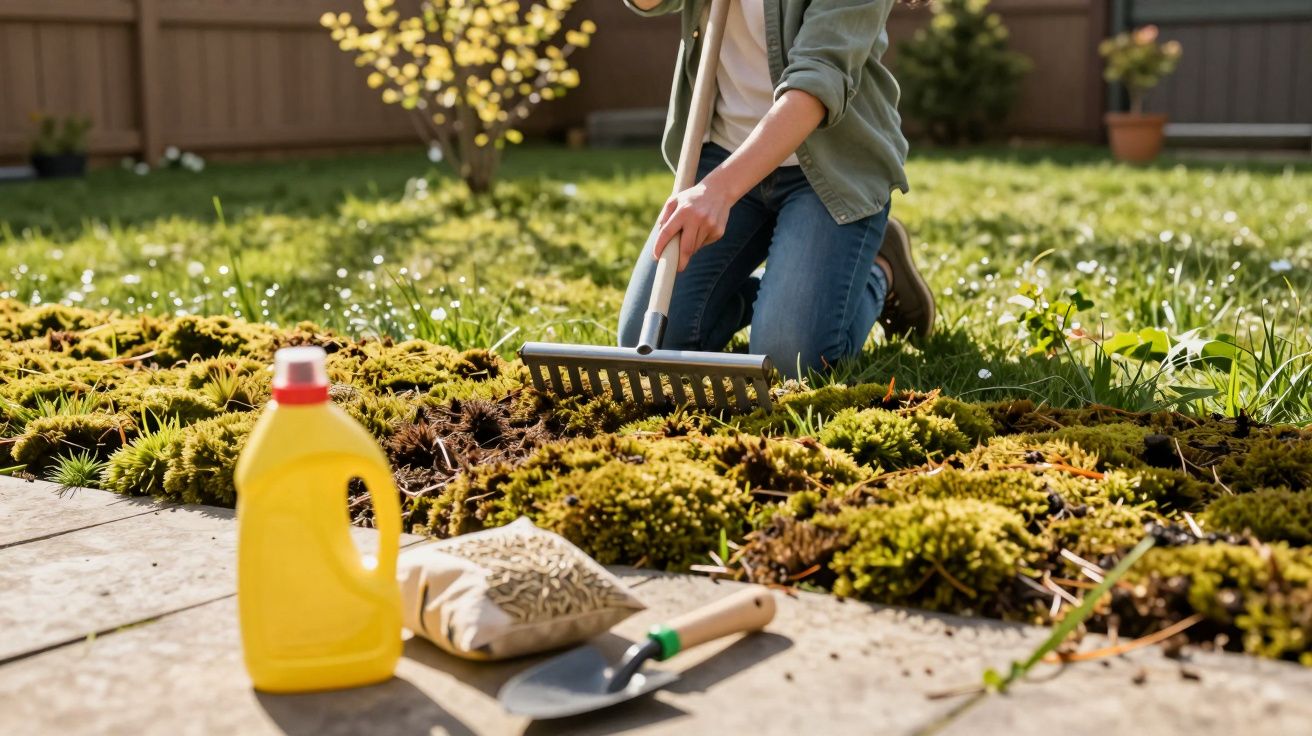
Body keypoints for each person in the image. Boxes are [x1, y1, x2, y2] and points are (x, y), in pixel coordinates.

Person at [617, 0, 936, 379]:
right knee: (649, 341)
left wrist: (718, 192)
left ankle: (878, 273)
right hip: (723, 153)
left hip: (831, 172)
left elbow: (818, 81)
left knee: (791, 359)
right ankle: (783, 291)